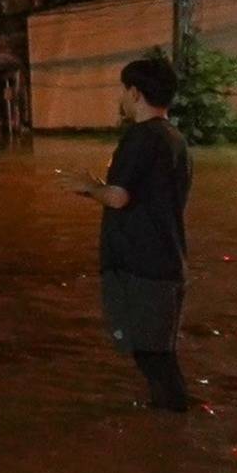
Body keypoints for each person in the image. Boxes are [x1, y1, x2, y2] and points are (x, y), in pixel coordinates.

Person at [61, 57, 193, 413]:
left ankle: (171, 427)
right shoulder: (175, 139)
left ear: (135, 93)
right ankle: (169, 431)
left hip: (141, 264)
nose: (122, 97)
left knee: (152, 356)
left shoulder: (140, 137)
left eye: (124, 90)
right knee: (158, 354)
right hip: (168, 260)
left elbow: (118, 196)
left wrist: (89, 187)